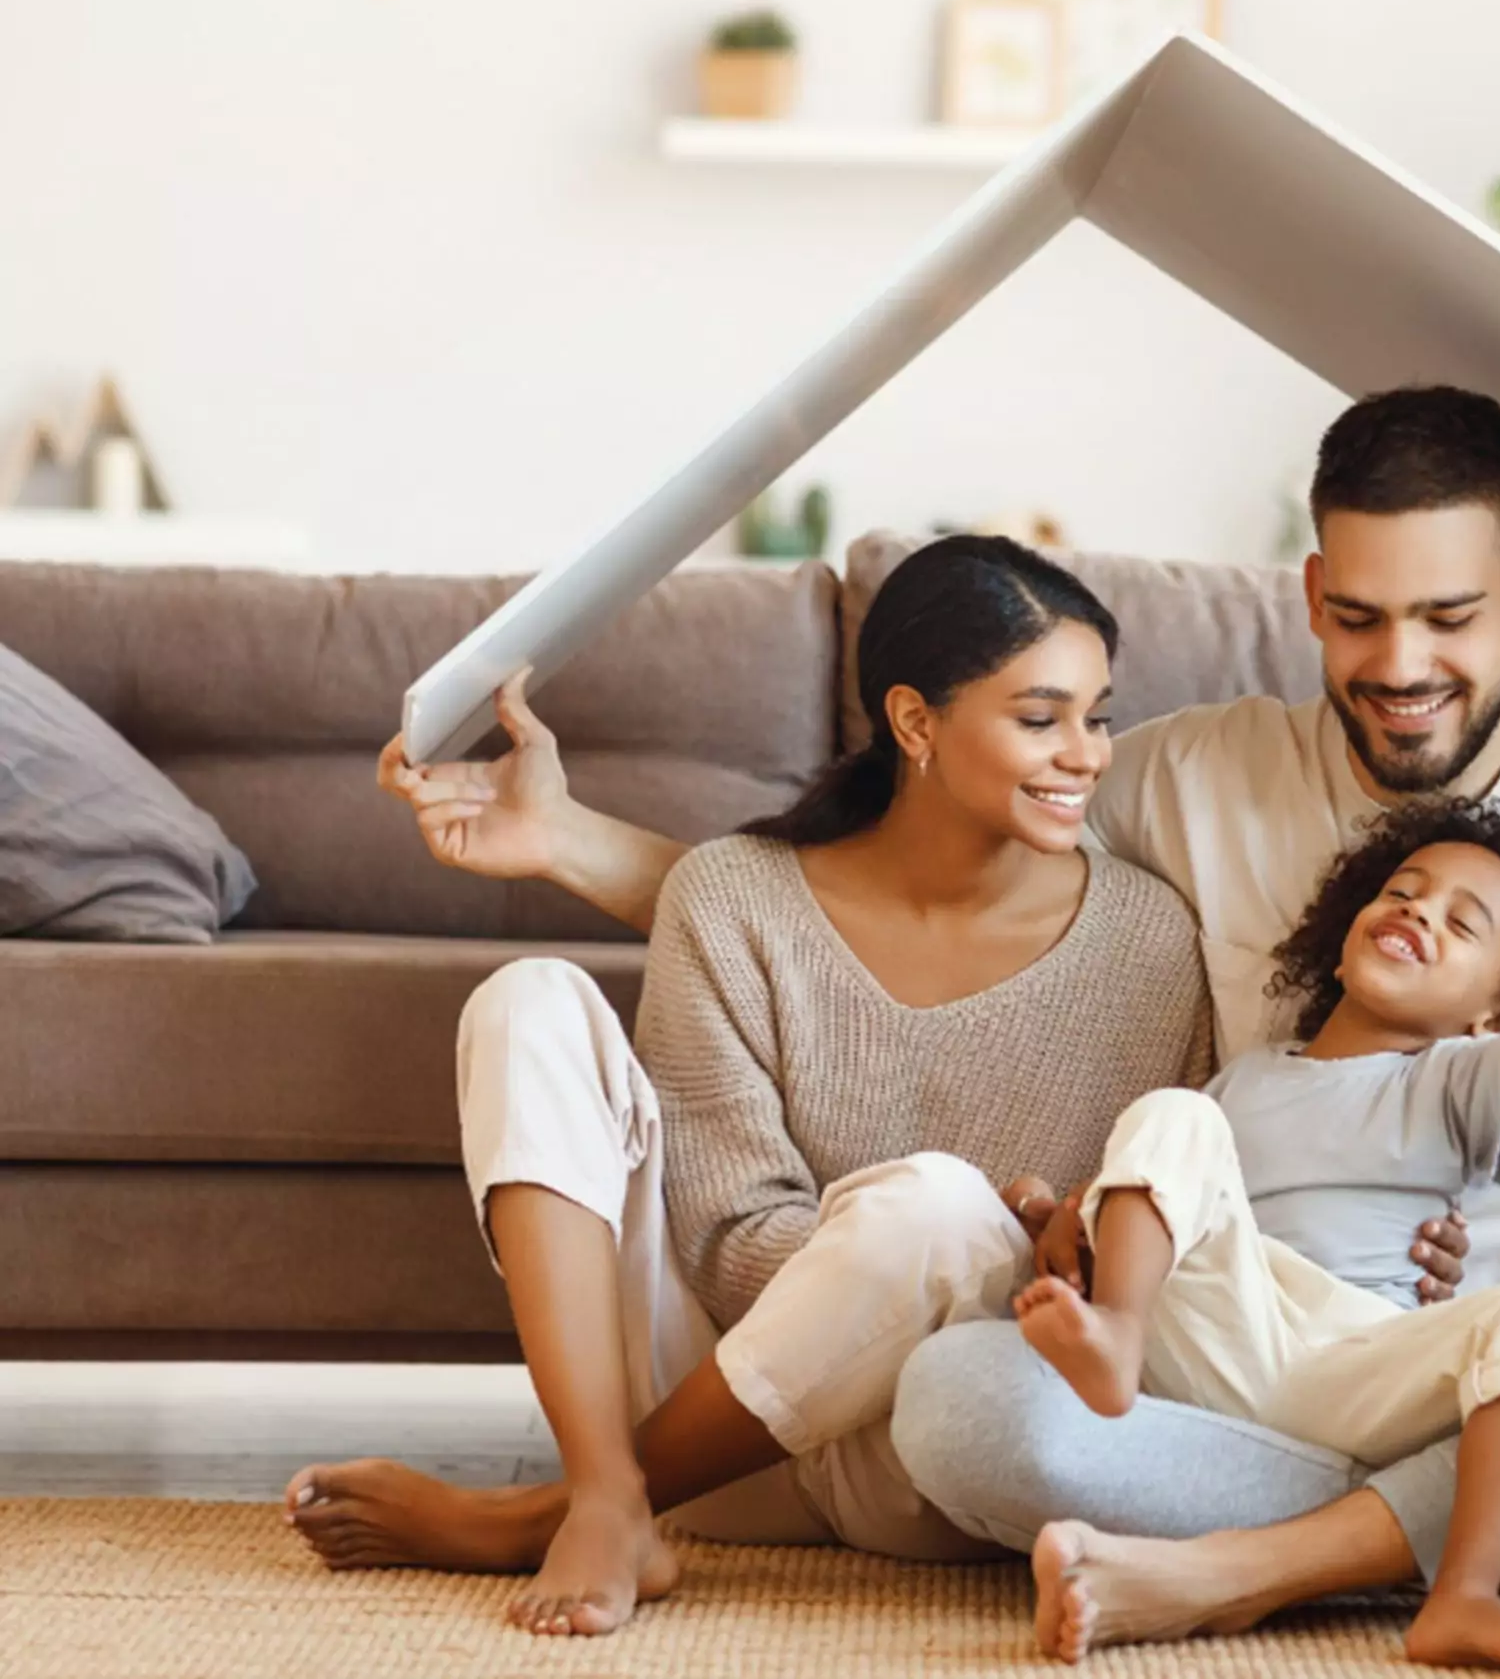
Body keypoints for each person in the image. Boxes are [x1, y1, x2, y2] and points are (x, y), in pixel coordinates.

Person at [351, 384, 1500, 1652]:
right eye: (1359, 615)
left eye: (1449, 618)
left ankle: (1255, 1571)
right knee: (962, 1409)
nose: (1399, 662)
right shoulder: (1191, 775)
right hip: (1228, 1374)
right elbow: (895, 883)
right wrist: (568, 844)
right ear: (1309, 592)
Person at [282, 536, 1217, 1636]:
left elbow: (1146, 1231)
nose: (1086, 754)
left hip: (935, 1446)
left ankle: (562, 1509)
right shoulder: (731, 893)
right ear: (916, 722)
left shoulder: (1149, 938)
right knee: (527, 998)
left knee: (936, 1207)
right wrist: (864, 1259)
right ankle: (604, 1482)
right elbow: (724, 1240)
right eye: (1040, 716)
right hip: (722, 1424)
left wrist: (1032, 1239)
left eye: (1098, 715)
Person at [1011, 801, 1500, 1671]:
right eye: (1403, 891)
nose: (1418, 912)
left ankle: (1465, 1595)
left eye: (1461, 924)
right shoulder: (1245, 1076)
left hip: (1352, 1355)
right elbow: (1158, 1187)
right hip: (1219, 1334)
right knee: (1173, 1112)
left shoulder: (1451, 1080)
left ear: (1493, 1014)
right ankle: (1117, 1338)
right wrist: (1056, 1215)